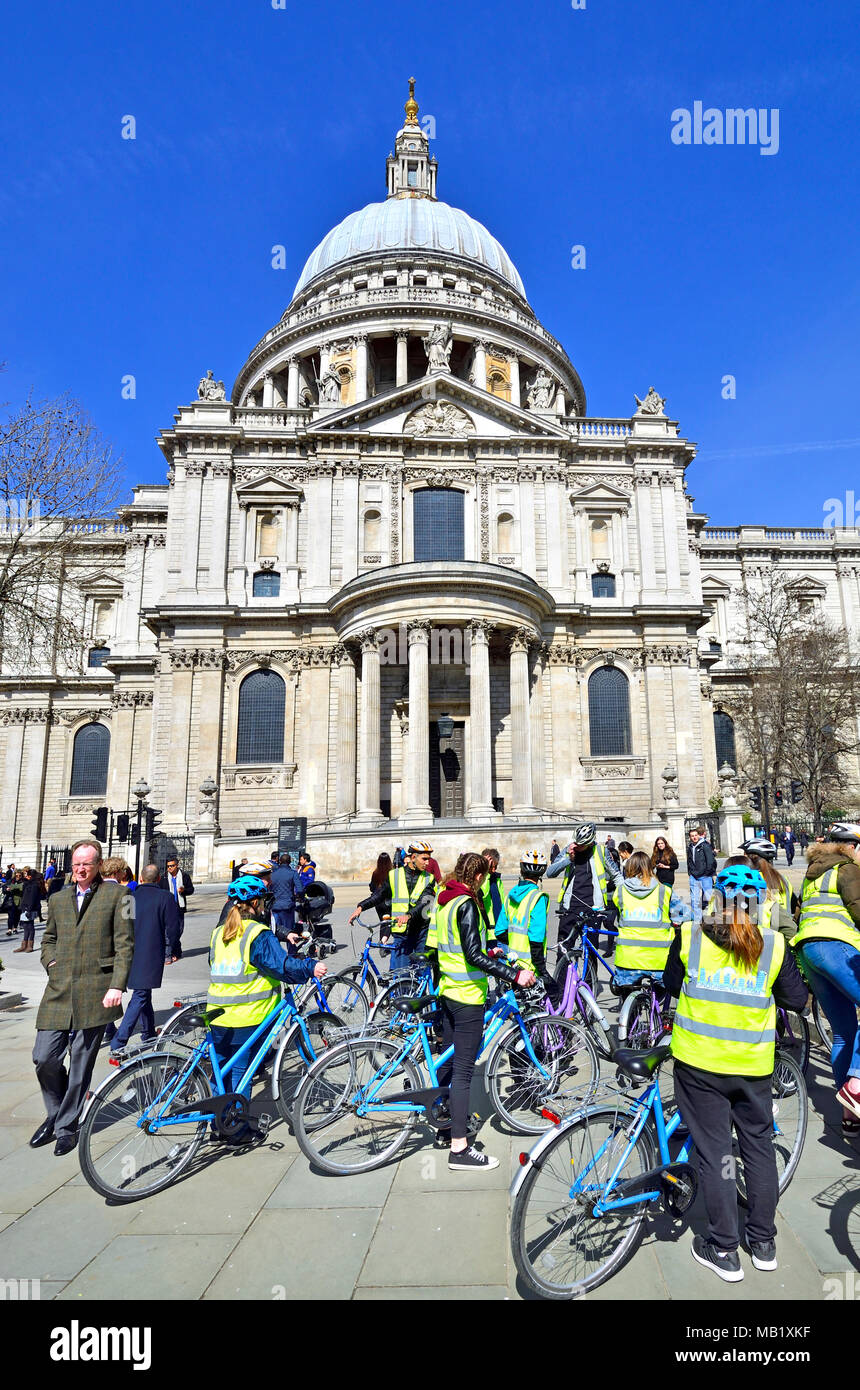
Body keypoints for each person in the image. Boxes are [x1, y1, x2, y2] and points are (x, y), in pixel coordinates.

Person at [664, 863, 808, 1281]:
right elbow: (796, 1001)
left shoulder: (691, 935)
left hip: (700, 1064)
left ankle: (724, 1247)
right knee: (758, 1149)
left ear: (716, 899)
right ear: (760, 901)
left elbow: (673, 985)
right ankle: (763, 1242)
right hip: (752, 1067)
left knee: (717, 1155)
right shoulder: (774, 946)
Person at [30, 839, 134, 1156]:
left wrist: (117, 985)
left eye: (87, 863)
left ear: (98, 865)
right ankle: (57, 1112)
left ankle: (65, 1127)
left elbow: (126, 944)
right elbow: (48, 938)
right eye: (76, 863)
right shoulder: (59, 899)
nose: (80, 868)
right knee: (44, 1057)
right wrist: (49, 961)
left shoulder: (121, 895)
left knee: (80, 1064)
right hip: (60, 990)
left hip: (96, 990)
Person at [431, 851, 535, 1168]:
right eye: (485, 879)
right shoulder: (466, 903)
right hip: (467, 997)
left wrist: (491, 948)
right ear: (477, 878)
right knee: (463, 1074)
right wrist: (515, 974)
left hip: (448, 989)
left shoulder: (446, 899)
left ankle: (446, 1126)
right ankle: (460, 1150)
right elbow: (473, 955)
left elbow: (458, 945)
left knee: (449, 1065)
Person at [207, 873, 327, 1140]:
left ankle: (218, 1125)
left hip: (217, 1013)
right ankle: (236, 1131)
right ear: (255, 903)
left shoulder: (219, 933)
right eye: (263, 901)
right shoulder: (257, 934)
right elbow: (281, 966)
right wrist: (310, 967)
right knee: (241, 1074)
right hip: (247, 1015)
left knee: (222, 1072)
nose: (265, 905)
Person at [791, 821, 860, 1136]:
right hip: (835, 947)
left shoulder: (814, 873)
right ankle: (856, 1085)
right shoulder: (847, 869)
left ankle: (849, 1114)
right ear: (851, 846)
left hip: (809, 950)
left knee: (844, 1032)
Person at [110, 865, 181, 1054]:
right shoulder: (165, 897)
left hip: (128, 950)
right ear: (158, 880)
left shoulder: (129, 898)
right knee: (140, 994)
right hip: (150, 952)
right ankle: (119, 1041)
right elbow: (173, 928)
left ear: (141, 879)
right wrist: (174, 949)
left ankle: (148, 1032)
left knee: (143, 992)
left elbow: (122, 927)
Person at [349, 841, 436, 972]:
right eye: (424, 859)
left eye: (428, 859)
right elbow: (379, 895)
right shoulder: (394, 875)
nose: (427, 863)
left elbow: (424, 902)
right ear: (413, 857)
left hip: (421, 932)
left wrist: (409, 915)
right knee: (400, 974)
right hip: (401, 932)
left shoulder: (429, 878)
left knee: (421, 973)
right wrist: (361, 907)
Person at [612, 850, 689, 992]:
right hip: (659, 960)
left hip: (628, 959)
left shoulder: (621, 891)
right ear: (650, 868)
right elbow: (685, 916)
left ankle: (629, 1011)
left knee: (626, 992)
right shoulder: (664, 891)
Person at [545, 822, 618, 953]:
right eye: (576, 843)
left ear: (590, 843)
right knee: (563, 952)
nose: (577, 846)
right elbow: (550, 872)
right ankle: (561, 974)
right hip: (570, 908)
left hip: (593, 909)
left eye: (581, 845)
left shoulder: (601, 851)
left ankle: (590, 974)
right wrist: (569, 858)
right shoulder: (569, 850)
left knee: (591, 953)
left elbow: (617, 876)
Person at [495, 850, 553, 993]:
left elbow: (500, 931)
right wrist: (542, 970)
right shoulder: (538, 898)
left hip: (513, 964)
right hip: (530, 969)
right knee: (554, 995)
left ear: (521, 870)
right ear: (541, 874)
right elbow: (536, 938)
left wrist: (515, 941)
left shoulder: (511, 895)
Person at [740, 837, 797, 942]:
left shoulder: (748, 881)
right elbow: (793, 906)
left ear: (750, 859)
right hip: (782, 937)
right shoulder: (783, 880)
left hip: (757, 937)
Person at [158, 857, 194, 956]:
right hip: (167, 908)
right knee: (169, 931)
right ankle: (173, 952)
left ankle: (176, 950)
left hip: (179, 907)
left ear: (177, 865)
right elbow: (159, 891)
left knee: (179, 930)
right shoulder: (163, 877)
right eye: (168, 866)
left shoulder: (184, 876)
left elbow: (191, 890)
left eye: (172, 866)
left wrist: (184, 891)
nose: (170, 868)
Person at [269, 853, 305, 946]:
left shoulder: (273, 874)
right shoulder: (293, 873)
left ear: (280, 861)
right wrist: (300, 898)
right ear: (290, 862)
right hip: (287, 905)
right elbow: (300, 889)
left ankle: (276, 954)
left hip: (275, 905)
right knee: (289, 931)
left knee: (275, 930)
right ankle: (291, 954)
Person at [687, 826, 718, 922]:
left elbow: (710, 860)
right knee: (694, 900)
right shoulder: (690, 847)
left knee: (710, 899)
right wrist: (690, 872)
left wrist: (707, 872)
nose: (694, 837)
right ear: (690, 837)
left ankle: (715, 919)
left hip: (705, 877)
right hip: (694, 877)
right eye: (692, 836)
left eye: (696, 835)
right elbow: (689, 861)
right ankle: (698, 921)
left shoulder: (705, 845)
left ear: (699, 835)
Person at [13, 866, 46, 953]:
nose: (26, 876)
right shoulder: (28, 884)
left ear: (31, 876)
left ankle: (30, 945)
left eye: (27, 875)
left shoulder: (35, 885)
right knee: (25, 926)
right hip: (25, 907)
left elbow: (32, 898)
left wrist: (29, 909)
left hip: (30, 908)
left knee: (30, 926)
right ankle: (24, 945)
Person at [479, 847, 504, 942]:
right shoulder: (482, 879)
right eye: (491, 867)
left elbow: (501, 901)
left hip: (500, 929)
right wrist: (485, 871)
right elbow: (483, 895)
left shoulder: (497, 879)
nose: (493, 870)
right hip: (489, 932)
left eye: (496, 867)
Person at [368, 852, 393, 927]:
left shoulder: (375, 873)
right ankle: (384, 938)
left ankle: (382, 938)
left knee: (383, 923)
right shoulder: (393, 872)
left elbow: (372, 887)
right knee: (389, 924)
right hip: (389, 901)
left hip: (378, 902)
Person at [4, 869, 23, 936]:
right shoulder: (10, 881)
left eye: (19, 875)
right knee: (10, 915)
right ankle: (9, 929)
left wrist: (14, 887)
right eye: (17, 875)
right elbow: (4, 888)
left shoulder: (23, 882)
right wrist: (6, 889)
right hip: (11, 900)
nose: (18, 876)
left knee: (17, 915)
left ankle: (15, 927)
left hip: (19, 901)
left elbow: (22, 889)